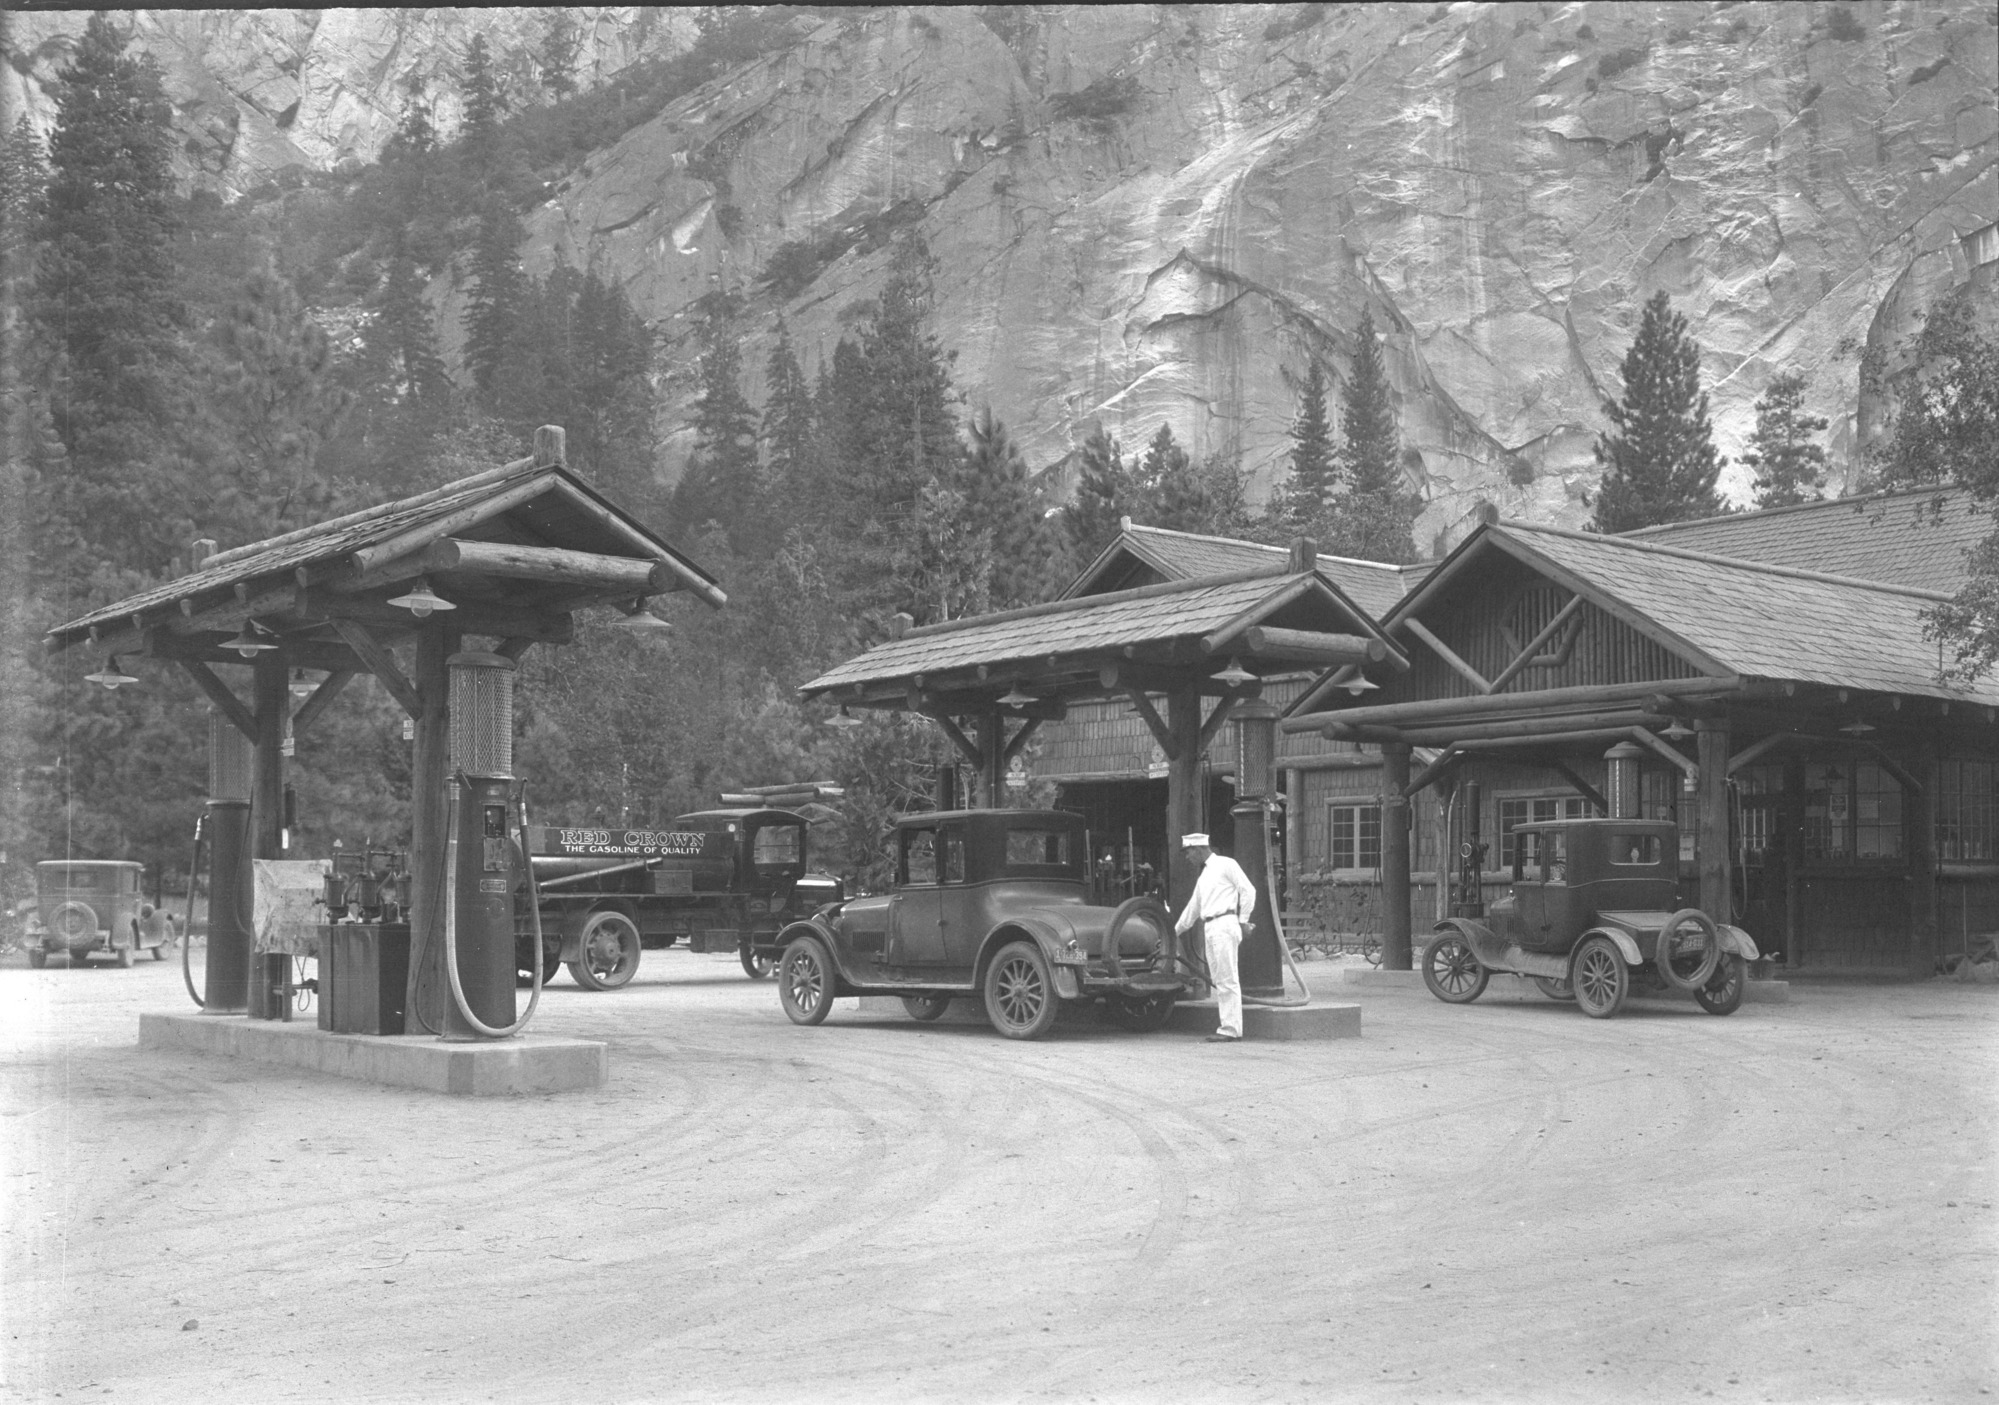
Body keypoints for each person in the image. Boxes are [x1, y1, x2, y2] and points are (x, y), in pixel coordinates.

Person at [1172, 833, 1257, 1043]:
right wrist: (1172, 933)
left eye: (1189, 851)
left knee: (1227, 978)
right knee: (1220, 979)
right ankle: (1228, 1026)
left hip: (1224, 923)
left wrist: (1243, 920)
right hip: (1210, 926)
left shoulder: (1226, 864)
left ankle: (1231, 1029)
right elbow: (1193, 909)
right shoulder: (1204, 876)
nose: (1187, 857)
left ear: (1200, 849)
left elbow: (1248, 890)